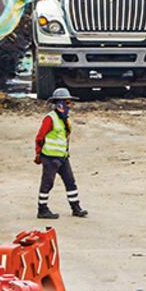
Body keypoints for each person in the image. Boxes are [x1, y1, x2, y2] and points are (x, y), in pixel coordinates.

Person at [34, 88, 88, 219]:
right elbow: (40, 137)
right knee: (47, 183)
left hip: (63, 157)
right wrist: (38, 154)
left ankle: (76, 207)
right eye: (68, 103)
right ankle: (42, 209)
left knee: (70, 182)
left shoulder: (65, 120)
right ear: (60, 104)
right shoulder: (50, 119)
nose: (70, 106)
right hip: (50, 158)